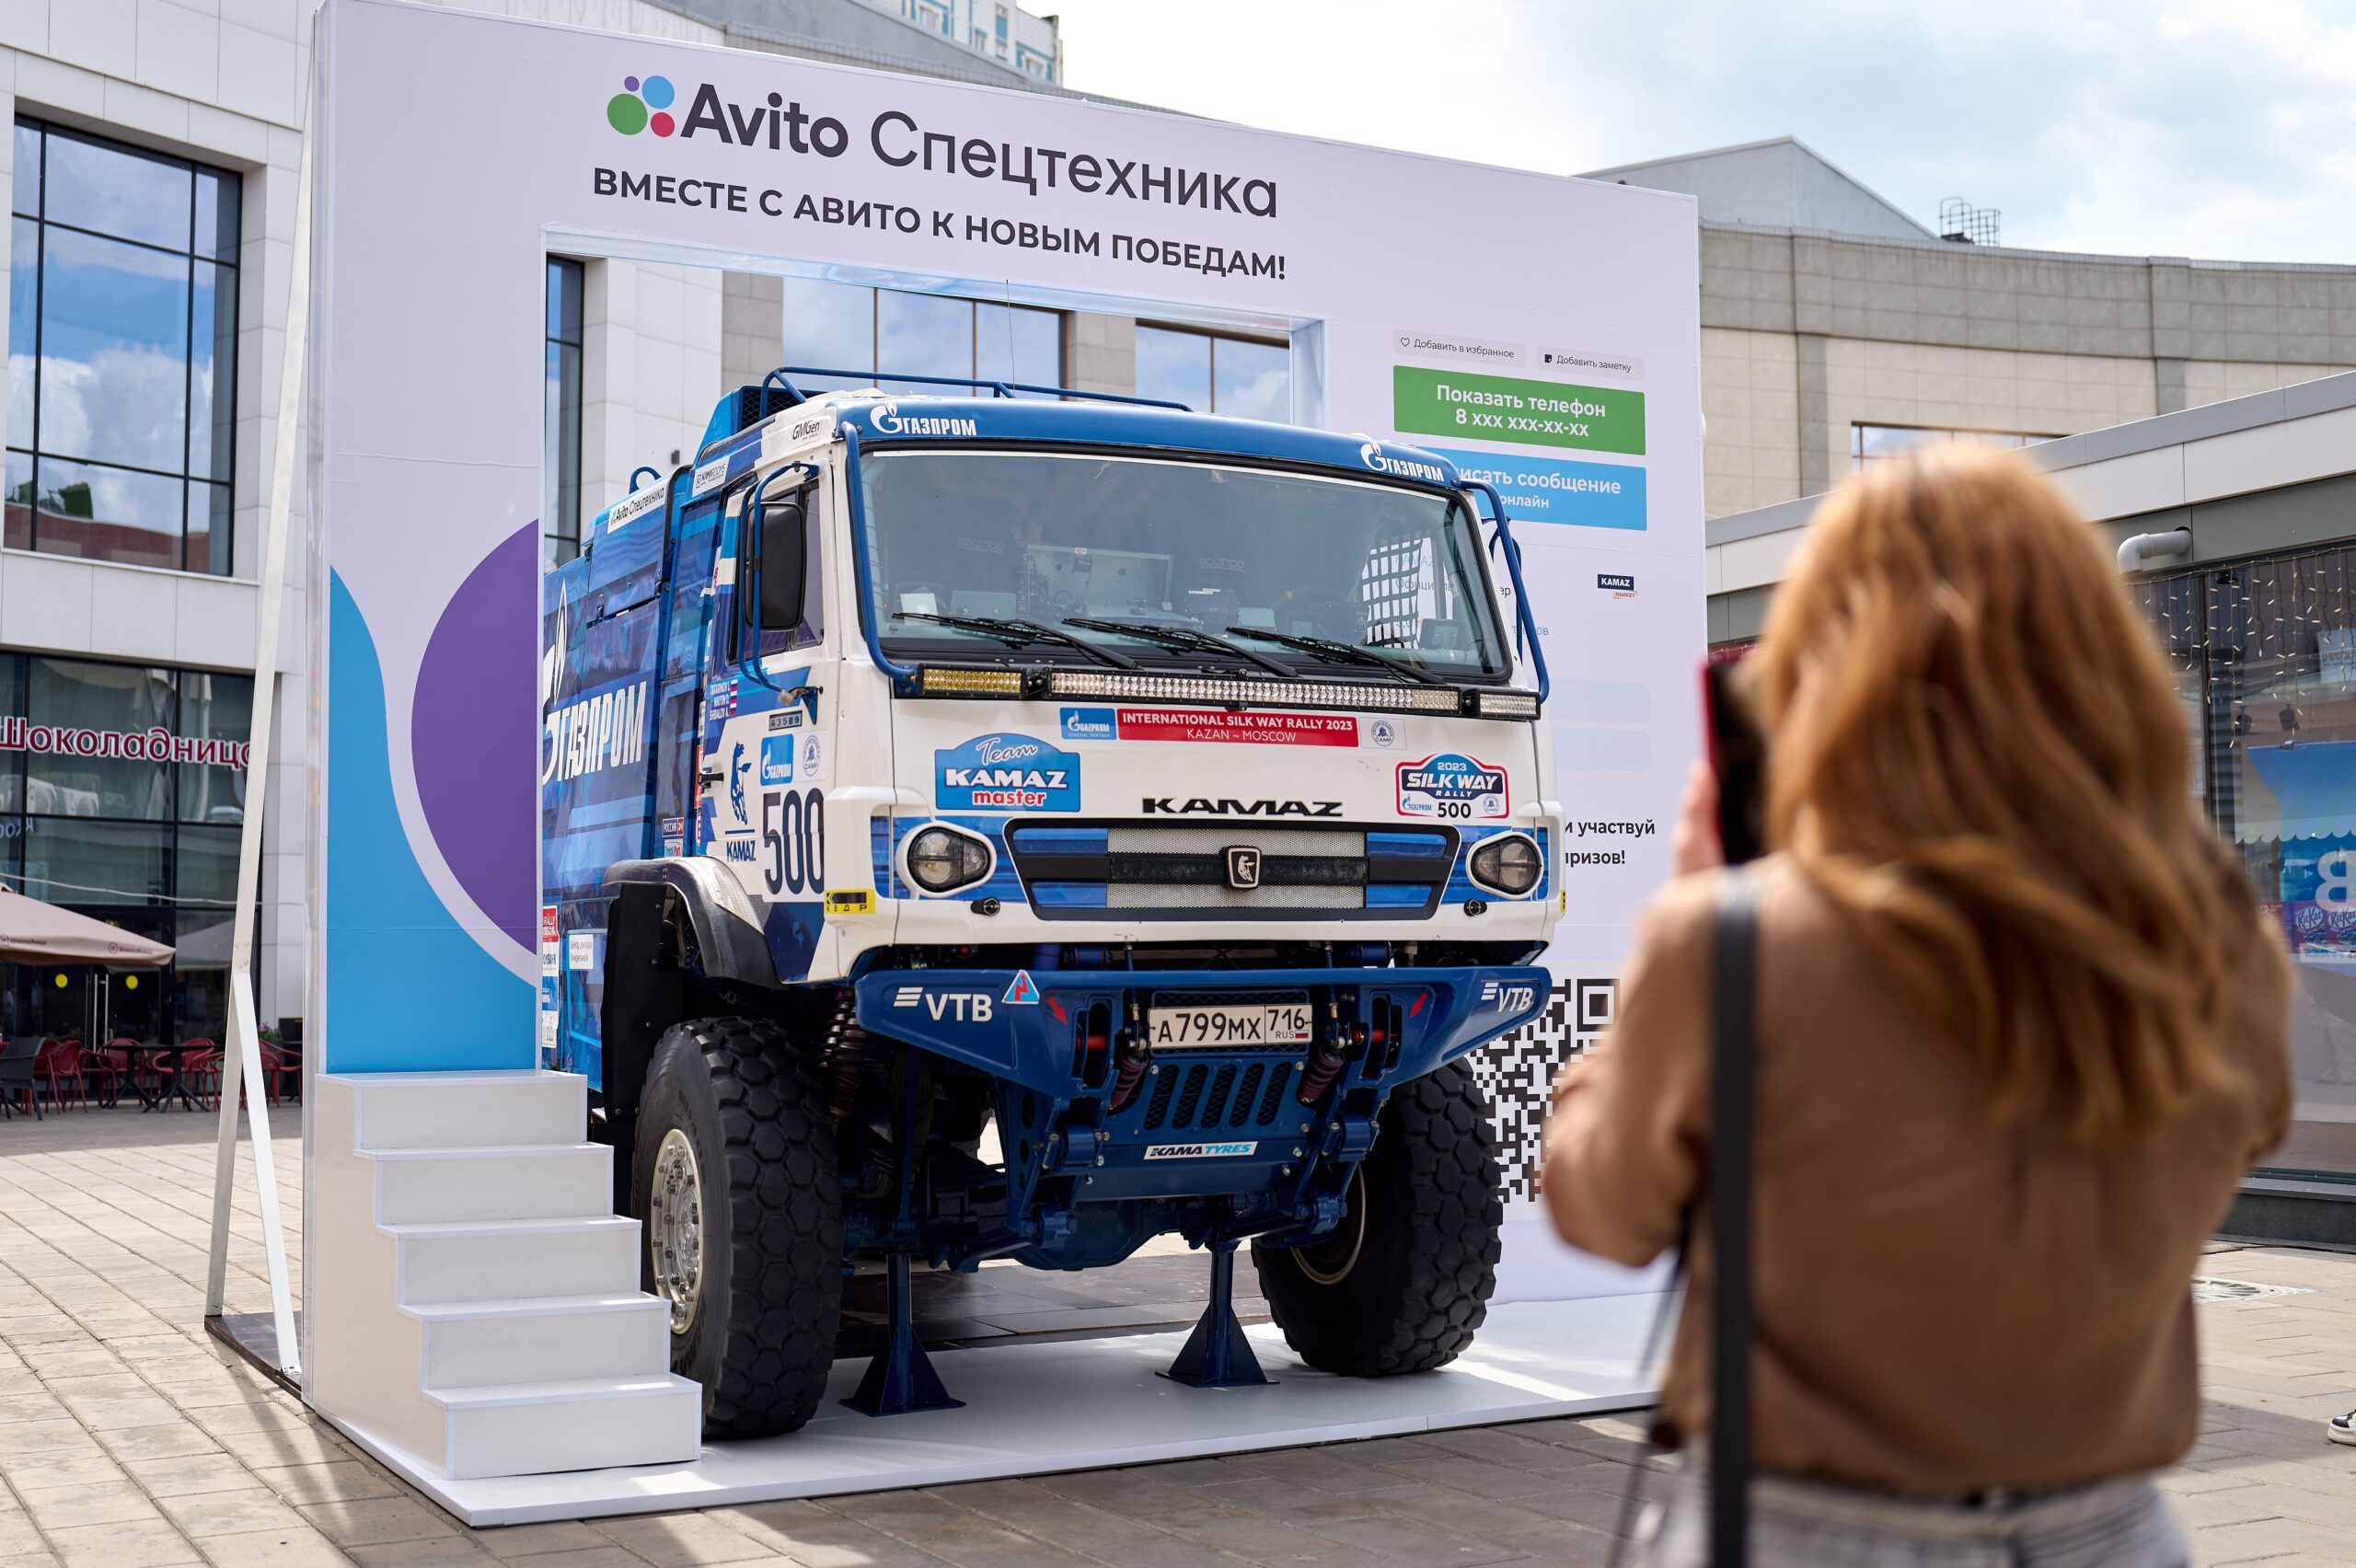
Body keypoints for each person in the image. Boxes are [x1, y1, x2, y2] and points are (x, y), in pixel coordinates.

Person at [1541, 444, 2292, 1566]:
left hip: (1806, 1534)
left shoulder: (1736, 946)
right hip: (2110, 1531)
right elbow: (2243, 1132)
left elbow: (1604, 1209)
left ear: (1822, 671)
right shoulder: (2214, 944)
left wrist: (1698, 912)